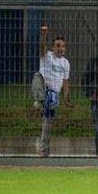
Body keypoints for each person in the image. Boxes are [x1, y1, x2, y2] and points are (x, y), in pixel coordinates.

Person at [35, 25, 74, 157]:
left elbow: (65, 82)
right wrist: (44, 35)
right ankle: (39, 101)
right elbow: (42, 47)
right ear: (53, 47)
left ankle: (43, 149)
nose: (60, 48)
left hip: (53, 95)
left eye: (62, 46)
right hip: (43, 88)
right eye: (57, 46)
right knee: (37, 76)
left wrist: (66, 99)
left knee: (47, 123)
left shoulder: (65, 63)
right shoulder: (47, 56)